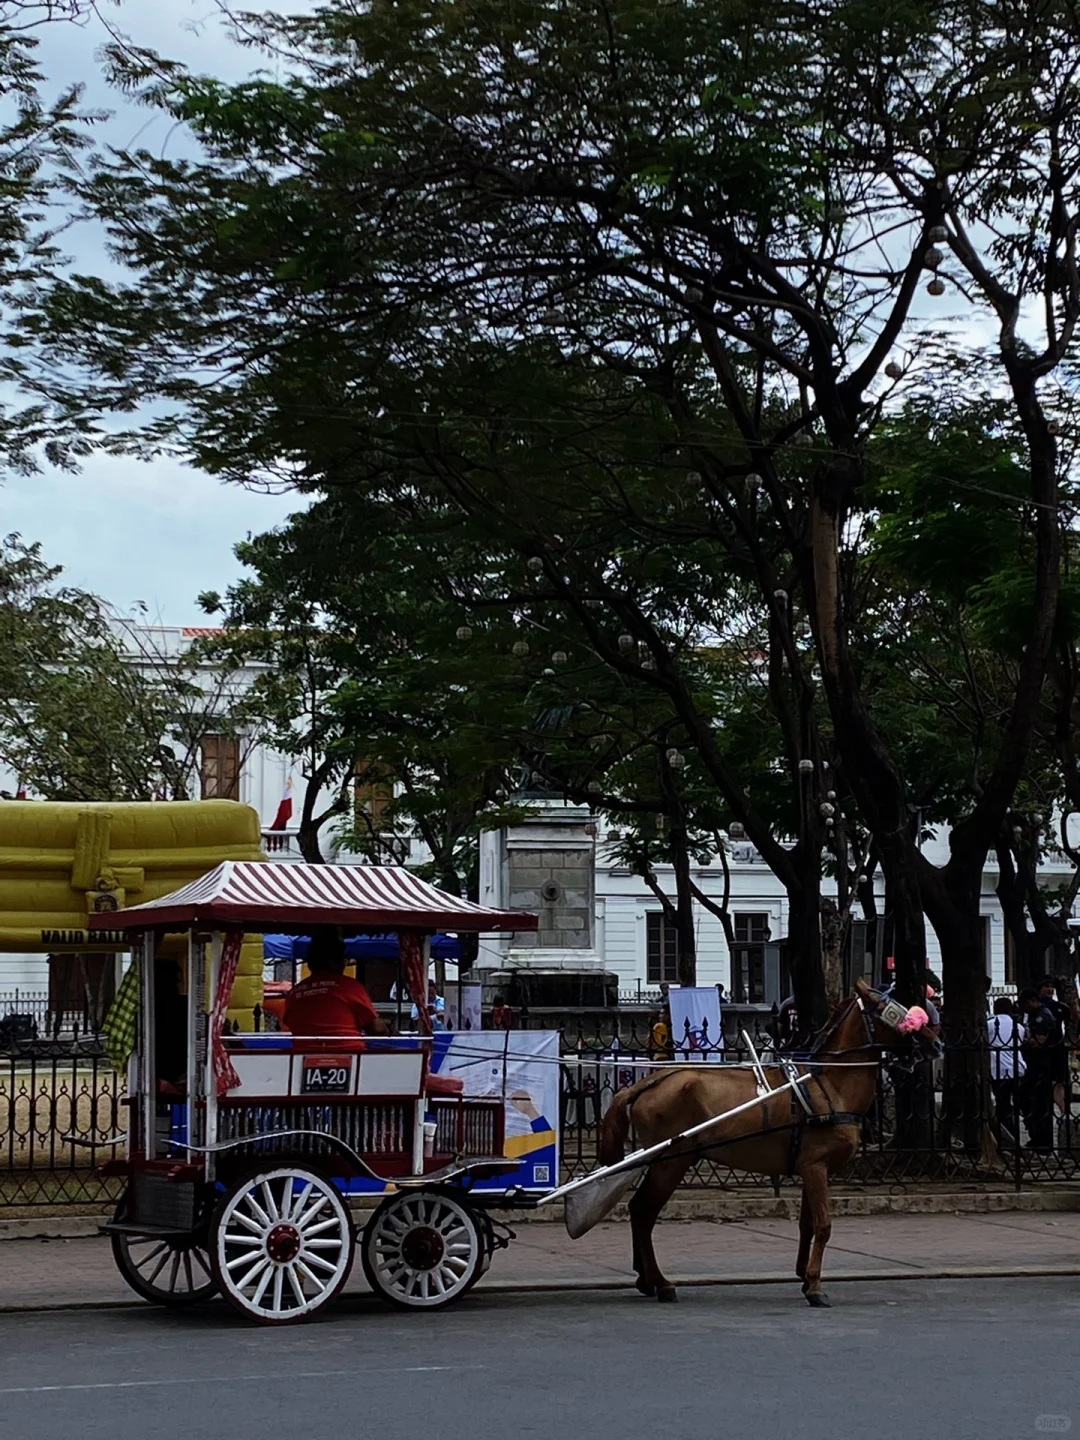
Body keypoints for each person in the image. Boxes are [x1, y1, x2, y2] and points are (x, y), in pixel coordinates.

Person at [283, 932, 389, 1040]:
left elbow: (290, 1024)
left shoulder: (294, 993)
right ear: (334, 962)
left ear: (310, 963)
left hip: (302, 1053)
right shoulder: (350, 987)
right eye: (343, 960)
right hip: (348, 1052)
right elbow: (376, 1028)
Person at [1019, 985, 1060, 1153]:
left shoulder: (1042, 1016)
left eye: (1024, 1004)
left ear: (1033, 1001)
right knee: (1029, 1102)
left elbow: (1040, 1040)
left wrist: (1023, 1041)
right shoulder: (1033, 1015)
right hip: (1034, 1066)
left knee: (1040, 1104)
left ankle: (1043, 1142)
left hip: (1041, 1066)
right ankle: (1036, 1138)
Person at [987, 996, 1025, 1143]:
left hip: (998, 1069)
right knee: (1011, 1103)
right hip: (1017, 1068)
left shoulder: (989, 1024)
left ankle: (1006, 1134)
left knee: (1002, 1103)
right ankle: (1012, 1133)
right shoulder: (1018, 1027)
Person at [1036, 976, 1070, 1117]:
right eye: (1046, 986)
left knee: (1059, 1081)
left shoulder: (1059, 1007)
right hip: (1040, 1050)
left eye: (1052, 987)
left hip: (1057, 1047)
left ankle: (1064, 1112)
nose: (1050, 989)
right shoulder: (1035, 1007)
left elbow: (1072, 1018)